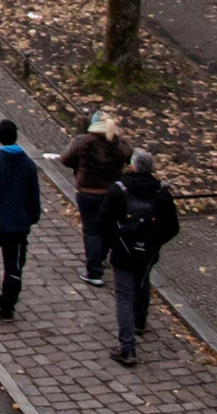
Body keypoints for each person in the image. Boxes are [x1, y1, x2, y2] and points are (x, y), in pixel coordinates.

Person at [100, 150, 180, 365]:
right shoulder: (162, 194)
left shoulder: (118, 190)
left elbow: (102, 222)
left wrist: (114, 243)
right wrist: (154, 244)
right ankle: (140, 321)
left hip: (122, 253)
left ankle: (128, 348)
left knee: (124, 297)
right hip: (147, 255)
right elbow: (173, 227)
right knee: (142, 284)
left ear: (133, 167)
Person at [0, 118, 41, 320]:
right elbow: (34, 195)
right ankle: (8, 306)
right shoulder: (28, 165)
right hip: (19, 227)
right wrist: (31, 219)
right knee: (14, 266)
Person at [61, 112, 131, 286]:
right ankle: (101, 258)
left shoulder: (82, 142)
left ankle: (94, 271)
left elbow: (66, 159)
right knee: (107, 228)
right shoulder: (121, 146)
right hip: (111, 194)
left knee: (91, 230)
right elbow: (129, 159)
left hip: (88, 192)